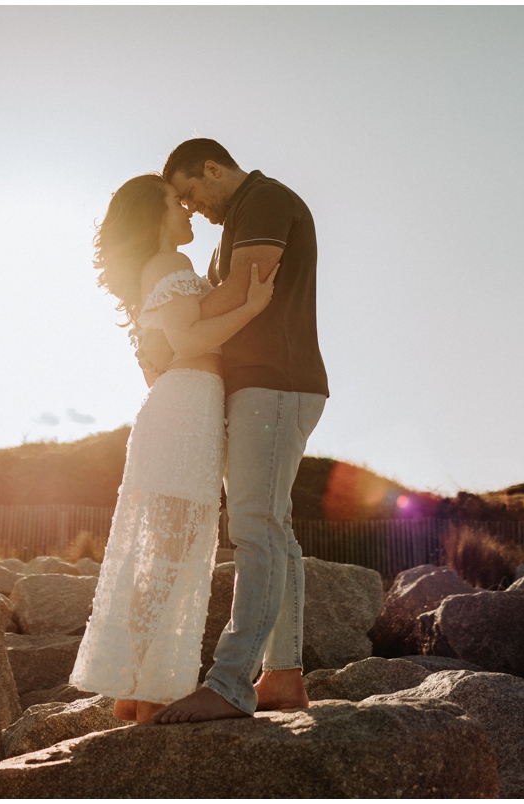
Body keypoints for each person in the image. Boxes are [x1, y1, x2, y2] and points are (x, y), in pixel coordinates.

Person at [68, 173, 276, 723]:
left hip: (173, 403)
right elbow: (188, 341)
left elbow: (157, 357)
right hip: (187, 410)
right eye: (175, 204)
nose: (186, 213)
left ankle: (134, 689)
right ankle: (143, 690)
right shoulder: (173, 266)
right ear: (154, 215)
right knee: (172, 553)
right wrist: (252, 306)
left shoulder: (146, 275)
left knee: (162, 553)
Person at [148, 139, 330, 723]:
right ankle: (282, 676)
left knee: (254, 527)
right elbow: (215, 300)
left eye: (190, 191)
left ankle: (230, 683)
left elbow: (238, 291)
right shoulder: (242, 217)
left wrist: (175, 328)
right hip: (262, 387)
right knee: (273, 528)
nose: (192, 207)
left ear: (212, 168)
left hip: (276, 384)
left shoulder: (264, 200)